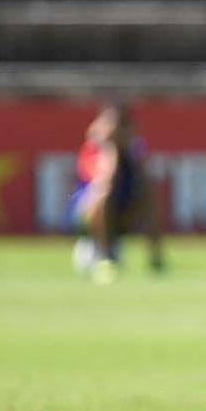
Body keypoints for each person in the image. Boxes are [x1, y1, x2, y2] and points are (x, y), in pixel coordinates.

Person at [70, 101, 165, 283]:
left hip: (122, 212)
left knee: (149, 194)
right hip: (88, 218)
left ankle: (156, 259)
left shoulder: (134, 150)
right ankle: (104, 256)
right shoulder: (93, 150)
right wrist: (110, 149)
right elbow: (105, 181)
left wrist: (129, 152)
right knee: (104, 194)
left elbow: (142, 181)